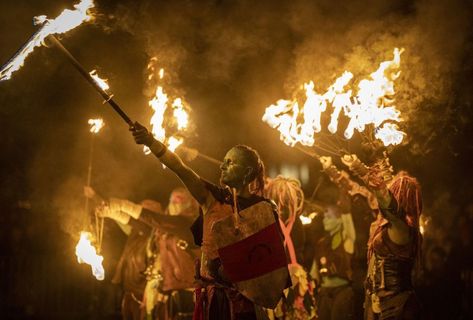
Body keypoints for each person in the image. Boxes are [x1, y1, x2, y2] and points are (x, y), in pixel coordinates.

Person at [130, 122, 290, 320]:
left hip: (245, 304)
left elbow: (270, 261)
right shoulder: (211, 198)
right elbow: (180, 168)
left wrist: (230, 271)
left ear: (248, 173)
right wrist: (151, 142)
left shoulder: (263, 210)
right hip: (211, 300)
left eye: (230, 162)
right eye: (224, 161)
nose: (222, 166)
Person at [342, 154, 423, 320]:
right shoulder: (391, 226)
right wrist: (357, 166)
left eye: (393, 190)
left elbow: (389, 207)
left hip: (397, 308)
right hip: (382, 305)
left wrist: (379, 188)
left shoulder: (402, 228)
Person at [93, 191, 163, 320]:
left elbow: (130, 220)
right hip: (129, 292)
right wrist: (100, 202)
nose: (139, 217)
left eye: (144, 214)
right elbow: (125, 219)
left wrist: (112, 209)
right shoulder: (135, 232)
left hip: (145, 294)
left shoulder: (155, 232)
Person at [141, 187, 201, 320]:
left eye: (178, 200)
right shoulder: (163, 229)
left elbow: (160, 221)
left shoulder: (188, 223)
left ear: (189, 203)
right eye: (171, 200)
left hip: (189, 290)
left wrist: (123, 206)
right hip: (169, 288)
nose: (173, 204)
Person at [264, 176, 316, 319]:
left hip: (279, 278)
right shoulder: (298, 221)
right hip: (297, 277)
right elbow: (310, 248)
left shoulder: (269, 221)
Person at [312, 156, 356, 320]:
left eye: (329, 216)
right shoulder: (322, 243)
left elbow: (346, 211)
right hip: (324, 293)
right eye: (324, 216)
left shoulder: (347, 239)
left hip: (342, 293)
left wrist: (342, 187)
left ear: (339, 219)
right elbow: (314, 273)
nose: (325, 220)